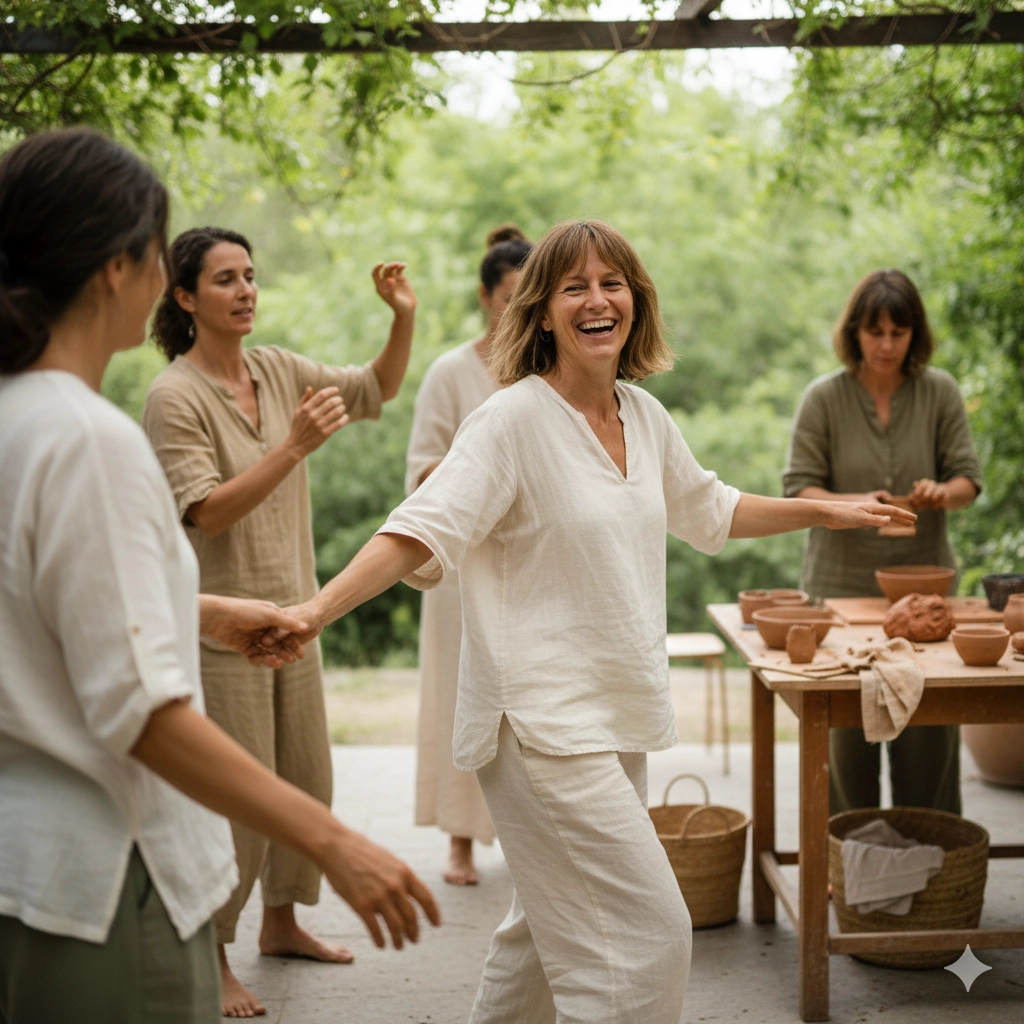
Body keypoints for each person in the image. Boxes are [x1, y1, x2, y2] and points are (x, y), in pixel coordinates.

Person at [260, 221, 915, 1023]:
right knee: (649, 938)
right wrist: (315, 610)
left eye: (613, 283)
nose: (597, 300)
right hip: (538, 727)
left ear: (635, 302)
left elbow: (712, 506)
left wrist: (834, 511)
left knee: (538, 940)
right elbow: (418, 528)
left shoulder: (640, 414)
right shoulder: (510, 422)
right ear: (541, 314)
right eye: (574, 287)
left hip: (610, 720)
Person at [0, 128, 439, 1024]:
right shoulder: (91, 437)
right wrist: (339, 843)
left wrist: (200, 611)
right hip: (111, 885)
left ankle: (280, 915)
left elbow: (42, 615)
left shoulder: (18, 420)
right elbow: (141, 713)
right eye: (164, 254)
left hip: (34, 875)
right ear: (119, 266)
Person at [141, 225, 417, 1015]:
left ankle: (282, 923)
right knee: (235, 802)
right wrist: (293, 448)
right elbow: (207, 513)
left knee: (305, 779)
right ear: (185, 297)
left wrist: (401, 316)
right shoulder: (174, 396)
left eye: (250, 276)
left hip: (297, 617)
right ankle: (215, 954)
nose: (246, 290)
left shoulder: (279, 368)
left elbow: (377, 388)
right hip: (222, 629)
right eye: (225, 279)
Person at [783, 269, 982, 816]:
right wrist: (852, 504)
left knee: (928, 733)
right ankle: (849, 864)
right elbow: (797, 486)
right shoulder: (823, 397)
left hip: (925, 589)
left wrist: (942, 492)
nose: (887, 345)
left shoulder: (938, 390)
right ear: (855, 333)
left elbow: (968, 479)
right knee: (845, 744)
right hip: (839, 588)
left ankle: (934, 858)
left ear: (916, 335)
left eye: (899, 332)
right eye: (876, 332)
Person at [406, 224, 532, 886]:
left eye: (531, 295)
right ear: (487, 297)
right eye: (510, 296)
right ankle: (459, 839)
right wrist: (484, 476)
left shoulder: (550, 371)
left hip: (531, 570)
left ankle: (525, 835)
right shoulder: (450, 372)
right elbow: (422, 472)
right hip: (459, 568)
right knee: (460, 696)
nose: (519, 308)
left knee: (527, 703)